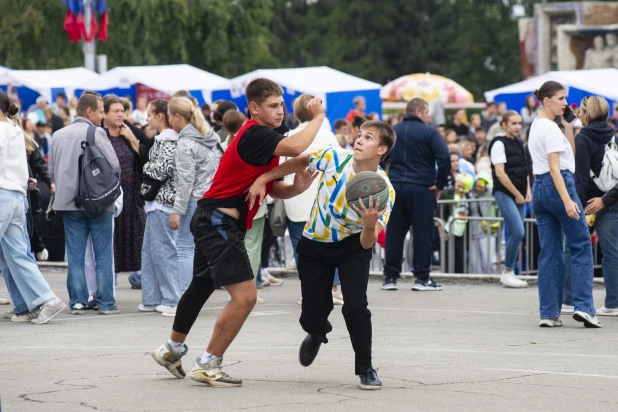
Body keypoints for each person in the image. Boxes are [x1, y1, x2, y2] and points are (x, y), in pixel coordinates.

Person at [150, 78, 324, 387]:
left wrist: (294, 187)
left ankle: (171, 350)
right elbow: (299, 149)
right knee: (245, 297)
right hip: (218, 221)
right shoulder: (255, 133)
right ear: (254, 108)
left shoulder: (266, 138)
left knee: (201, 286)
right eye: (273, 106)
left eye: (282, 105)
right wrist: (318, 117)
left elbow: (271, 187)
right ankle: (208, 363)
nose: (281, 111)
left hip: (211, 218)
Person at [247, 120, 395, 389]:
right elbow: (299, 161)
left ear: (381, 149)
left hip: (353, 247)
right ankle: (317, 332)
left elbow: (366, 243)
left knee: (355, 307)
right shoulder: (334, 156)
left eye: (368, 137)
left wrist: (370, 224)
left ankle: (366, 368)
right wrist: (265, 178)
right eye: (359, 134)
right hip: (314, 243)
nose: (359, 139)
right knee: (311, 314)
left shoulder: (384, 191)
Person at [528, 81, 599, 328]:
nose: (565, 103)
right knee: (580, 244)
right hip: (558, 185)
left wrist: (568, 127)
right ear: (547, 100)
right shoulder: (548, 129)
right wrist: (568, 200)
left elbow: (568, 155)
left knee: (550, 251)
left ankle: (549, 313)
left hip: (540, 188)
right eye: (561, 98)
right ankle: (583, 307)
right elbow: (557, 168)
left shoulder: (539, 126)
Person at [49, 91, 120, 315]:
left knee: (76, 255)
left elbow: (52, 172)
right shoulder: (97, 132)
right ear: (89, 112)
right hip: (98, 202)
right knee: (102, 255)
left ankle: (78, 301)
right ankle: (106, 302)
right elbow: (114, 166)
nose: (101, 116)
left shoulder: (58, 135)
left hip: (68, 204)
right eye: (100, 111)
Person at [0, 91, 67, 324]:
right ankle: (44, 299)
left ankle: (42, 300)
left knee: (18, 255)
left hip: (3, 194)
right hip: (17, 196)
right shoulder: (15, 130)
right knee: (19, 255)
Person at [382, 98, 450, 291]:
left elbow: (379, 155)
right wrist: (439, 184)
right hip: (421, 187)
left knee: (394, 233)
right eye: (428, 112)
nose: (430, 116)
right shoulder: (429, 132)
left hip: (395, 187)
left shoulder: (393, 131)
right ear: (419, 112)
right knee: (421, 233)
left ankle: (390, 278)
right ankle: (422, 278)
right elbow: (444, 158)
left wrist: (384, 179)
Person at [282, 94, 342, 303]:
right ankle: (334, 288)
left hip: (296, 197)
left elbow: (281, 167)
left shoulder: (289, 136)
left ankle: (311, 290)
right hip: (325, 199)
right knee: (330, 245)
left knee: (302, 248)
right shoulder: (328, 136)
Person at [563, 96, 617, 316]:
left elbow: (581, 177)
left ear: (588, 113)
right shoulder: (614, 136)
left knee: (573, 249)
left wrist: (576, 204)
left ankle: (568, 299)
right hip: (612, 201)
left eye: (582, 110)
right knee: (612, 253)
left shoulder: (584, 138)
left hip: (589, 203)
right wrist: (606, 200)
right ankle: (613, 303)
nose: (579, 114)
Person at [168, 97, 223, 293]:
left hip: (193, 202)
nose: (169, 121)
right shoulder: (211, 139)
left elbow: (185, 181)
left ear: (177, 116)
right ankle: (196, 296)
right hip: (212, 200)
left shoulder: (186, 143)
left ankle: (185, 298)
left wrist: (177, 210)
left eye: (169, 116)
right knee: (205, 250)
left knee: (184, 248)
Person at [139, 100, 182, 315]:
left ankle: (172, 298)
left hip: (163, 202)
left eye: (149, 114)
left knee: (163, 252)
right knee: (150, 251)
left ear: (160, 116)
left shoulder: (168, 141)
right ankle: (153, 297)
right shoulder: (164, 140)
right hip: (157, 203)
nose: (146, 119)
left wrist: (147, 166)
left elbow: (161, 170)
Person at [102, 95, 148, 287]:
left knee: (138, 240)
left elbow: (148, 161)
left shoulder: (132, 131)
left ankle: (138, 278)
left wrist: (133, 140)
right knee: (109, 241)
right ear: (104, 114)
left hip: (132, 196)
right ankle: (108, 284)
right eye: (116, 111)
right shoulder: (98, 134)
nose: (121, 114)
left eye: (122, 111)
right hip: (108, 197)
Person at [488, 111, 530, 288]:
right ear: (504, 124)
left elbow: (525, 169)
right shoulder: (498, 143)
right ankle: (507, 271)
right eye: (513, 123)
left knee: (516, 233)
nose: (518, 127)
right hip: (504, 193)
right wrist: (517, 193)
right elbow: (500, 173)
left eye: (519, 123)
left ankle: (510, 272)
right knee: (518, 231)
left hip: (519, 193)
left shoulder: (520, 143)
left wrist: (527, 191)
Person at [24, 130, 54, 261]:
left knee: (26, 226)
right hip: (18, 191)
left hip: (21, 193)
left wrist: (50, 182)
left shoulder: (27, 143)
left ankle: (37, 246)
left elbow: (40, 164)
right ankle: (38, 247)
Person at [468, 172, 497, 274]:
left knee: (488, 260)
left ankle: (492, 278)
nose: (480, 188)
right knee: (475, 262)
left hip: (487, 231)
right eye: (477, 186)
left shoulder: (491, 195)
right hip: (474, 231)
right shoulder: (470, 195)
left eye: (482, 186)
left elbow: (494, 189)